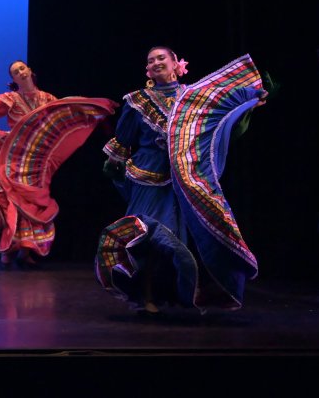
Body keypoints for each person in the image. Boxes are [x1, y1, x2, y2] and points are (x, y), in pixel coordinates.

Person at [96, 46, 267, 314]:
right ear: (147, 70)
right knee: (148, 237)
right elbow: (125, 139)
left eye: (161, 57)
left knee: (185, 237)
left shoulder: (194, 99)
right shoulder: (138, 100)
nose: (155, 62)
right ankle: (146, 294)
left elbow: (219, 125)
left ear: (177, 64)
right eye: (150, 60)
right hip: (147, 178)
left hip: (184, 177)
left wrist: (248, 105)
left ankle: (186, 291)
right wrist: (114, 162)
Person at [0, 60, 116, 269]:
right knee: (17, 201)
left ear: (30, 71)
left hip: (39, 161)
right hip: (16, 158)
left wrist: (90, 107)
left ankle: (24, 250)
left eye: (22, 68)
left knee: (35, 202)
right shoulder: (8, 100)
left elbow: (62, 113)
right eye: (15, 72)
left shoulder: (48, 99)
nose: (20, 72)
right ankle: (11, 249)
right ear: (14, 79)